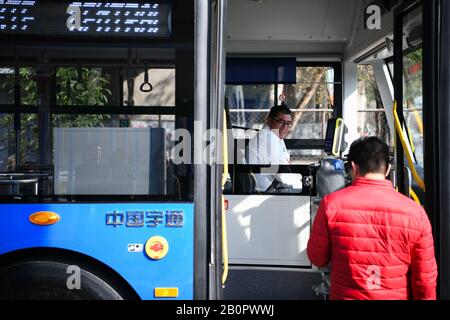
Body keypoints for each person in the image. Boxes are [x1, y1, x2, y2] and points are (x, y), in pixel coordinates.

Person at [307, 136, 437, 300]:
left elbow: (317, 258)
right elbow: (425, 279)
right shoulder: (415, 212)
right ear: (388, 169)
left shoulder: (330, 205)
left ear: (353, 167)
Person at [247, 104, 301, 192]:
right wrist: (299, 180)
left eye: (288, 123)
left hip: (273, 188)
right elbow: (283, 176)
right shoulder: (267, 139)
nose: (285, 127)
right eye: (281, 122)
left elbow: (286, 167)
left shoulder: (275, 137)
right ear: (269, 121)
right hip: (268, 192)